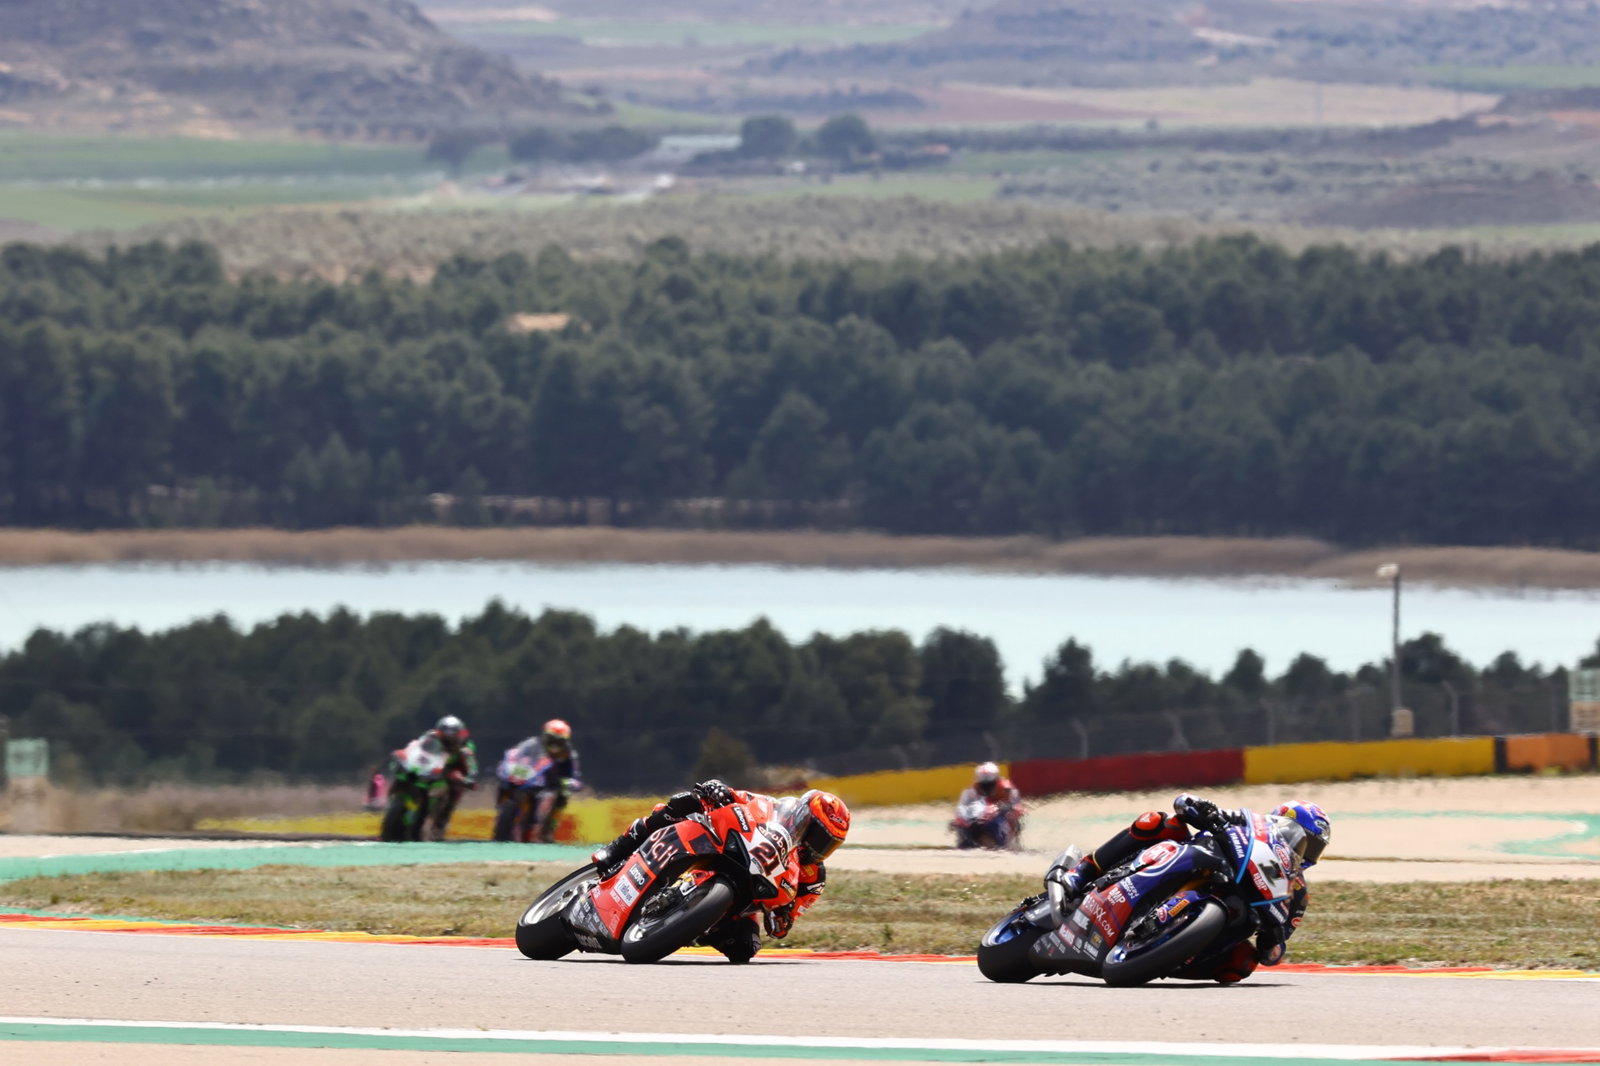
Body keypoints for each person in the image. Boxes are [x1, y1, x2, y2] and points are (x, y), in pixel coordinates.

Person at [1045, 793, 1330, 983]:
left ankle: (1163, 956)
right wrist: (1200, 808)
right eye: (1304, 841)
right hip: (1195, 857)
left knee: (1241, 963)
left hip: (1228, 910)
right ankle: (1082, 872)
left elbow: (1275, 950)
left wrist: (1273, 943)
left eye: (1314, 849)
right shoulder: (1247, 824)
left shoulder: (1298, 894)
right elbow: (1184, 803)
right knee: (1159, 823)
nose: (1305, 853)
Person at [589, 779, 851, 963]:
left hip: (746, 899)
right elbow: (737, 797)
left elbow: (782, 927)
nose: (817, 847)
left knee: (744, 950)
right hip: (726, 850)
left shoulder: (813, 879)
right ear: (801, 816)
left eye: (827, 844)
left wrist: (781, 916)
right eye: (816, 835)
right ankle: (620, 848)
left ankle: (687, 926)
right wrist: (718, 790)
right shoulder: (770, 808)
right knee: (684, 804)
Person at [498, 718, 584, 842]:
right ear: (544, 736)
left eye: (559, 741)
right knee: (506, 783)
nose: (554, 744)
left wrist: (569, 782)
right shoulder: (532, 744)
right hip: (528, 780)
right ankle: (504, 814)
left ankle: (547, 829)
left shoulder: (568, 754)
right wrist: (510, 766)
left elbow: (575, 776)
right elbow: (515, 755)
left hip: (549, 787)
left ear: (565, 741)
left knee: (562, 795)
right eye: (551, 739)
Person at [422, 714, 479, 839]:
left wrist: (470, 778)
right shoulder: (431, 737)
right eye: (445, 736)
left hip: (453, 774)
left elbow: (471, 764)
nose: (448, 740)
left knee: (454, 794)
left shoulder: (466, 747)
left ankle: (440, 826)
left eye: (452, 736)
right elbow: (417, 748)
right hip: (430, 770)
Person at [952, 761, 1023, 849]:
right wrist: (959, 820)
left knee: (1013, 818)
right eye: (983, 784)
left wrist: (999, 807)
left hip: (1001, 815)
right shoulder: (971, 791)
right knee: (959, 824)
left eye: (990, 784)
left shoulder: (1007, 789)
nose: (986, 787)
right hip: (980, 815)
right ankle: (965, 842)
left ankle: (1012, 843)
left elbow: (1018, 807)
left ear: (997, 780)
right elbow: (962, 807)